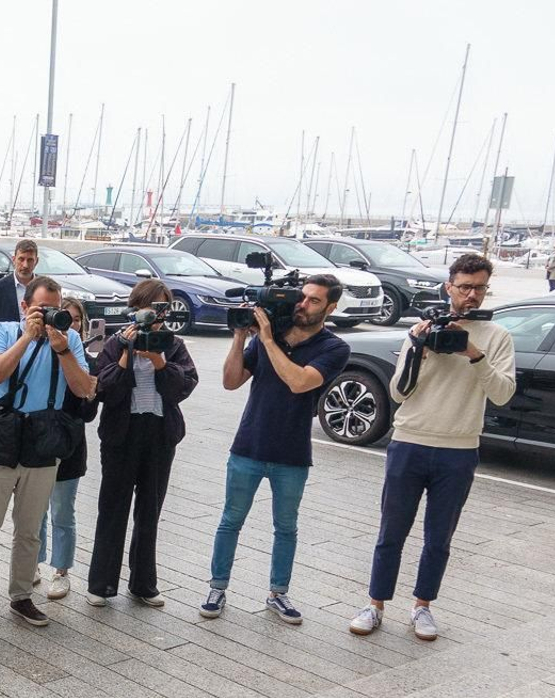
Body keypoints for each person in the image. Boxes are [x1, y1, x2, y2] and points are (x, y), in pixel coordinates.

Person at [349, 253, 516, 642]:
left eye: (480, 288)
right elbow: (398, 392)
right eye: (465, 287)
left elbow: (504, 394)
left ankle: (422, 607)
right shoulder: (421, 330)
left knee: (439, 537)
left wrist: (474, 355)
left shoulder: (497, 337)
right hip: (410, 441)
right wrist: (419, 350)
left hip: (459, 448)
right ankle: (374, 605)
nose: (472, 296)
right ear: (449, 287)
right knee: (391, 531)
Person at [199, 275, 350, 626]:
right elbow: (230, 381)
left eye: (314, 301)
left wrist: (266, 339)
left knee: (286, 527)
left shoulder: (334, 348)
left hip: (292, 452)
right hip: (248, 445)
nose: (302, 304)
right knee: (230, 521)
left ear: (330, 307)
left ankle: (278, 593)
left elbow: (299, 382)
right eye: (302, 297)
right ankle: (217, 587)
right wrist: (240, 337)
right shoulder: (273, 336)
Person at [0, 276, 95, 630]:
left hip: (43, 439)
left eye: (56, 309)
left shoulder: (71, 338)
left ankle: (21, 596)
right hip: (2, 435)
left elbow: (84, 390)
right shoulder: (4, 330)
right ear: (24, 307)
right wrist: (27, 337)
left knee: (30, 529)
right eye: (42, 309)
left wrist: (61, 348)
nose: (51, 316)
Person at [86, 279, 199, 608]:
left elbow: (183, 387)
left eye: (163, 307)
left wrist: (160, 360)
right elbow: (104, 389)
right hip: (122, 433)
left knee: (150, 510)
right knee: (112, 508)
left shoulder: (173, 344)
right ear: (136, 308)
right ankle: (102, 583)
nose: (156, 315)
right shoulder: (117, 342)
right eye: (151, 307)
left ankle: (143, 584)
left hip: (160, 434)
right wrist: (126, 354)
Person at [35, 295, 100, 601]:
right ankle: (32, 562)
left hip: (69, 444)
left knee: (62, 510)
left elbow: (88, 411)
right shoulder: (40, 350)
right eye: (64, 317)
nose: (68, 325)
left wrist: (68, 357)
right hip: (39, 440)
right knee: (35, 510)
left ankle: (61, 570)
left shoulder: (86, 359)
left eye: (75, 320)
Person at [0, 238, 40, 339]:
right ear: (14, 260)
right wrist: (13, 333)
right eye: (21, 259)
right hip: (8, 350)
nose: (25, 265)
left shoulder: (45, 288)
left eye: (30, 260)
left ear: (36, 261)